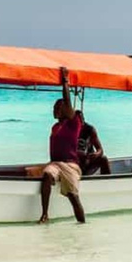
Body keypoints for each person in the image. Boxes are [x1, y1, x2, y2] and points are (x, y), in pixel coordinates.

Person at [31, 67, 85, 224]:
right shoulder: (55, 127)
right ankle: (45, 214)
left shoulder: (73, 123)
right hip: (55, 164)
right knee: (47, 175)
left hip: (70, 165)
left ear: (65, 110)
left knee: (73, 196)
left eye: (57, 108)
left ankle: (82, 225)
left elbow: (67, 100)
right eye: (54, 107)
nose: (54, 110)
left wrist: (65, 81)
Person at [75, 110, 111, 175]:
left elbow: (100, 150)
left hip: (88, 160)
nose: (80, 122)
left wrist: (96, 154)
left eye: (81, 119)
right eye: (77, 121)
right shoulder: (70, 131)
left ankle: (107, 179)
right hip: (76, 163)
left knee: (104, 159)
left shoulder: (89, 129)